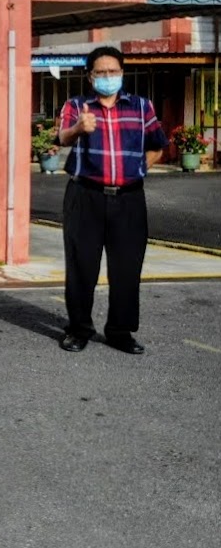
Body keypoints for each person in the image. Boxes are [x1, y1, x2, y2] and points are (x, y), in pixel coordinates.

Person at [54, 46, 169, 354]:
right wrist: (79, 128)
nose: (107, 77)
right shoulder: (76, 106)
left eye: (113, 71)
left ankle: (120, 331)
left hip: (129, 199)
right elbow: (62, 137)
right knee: (81, 267)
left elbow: (157, 145)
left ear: (122, 73)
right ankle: (79, 329)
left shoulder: (141, 107)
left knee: (127, 268)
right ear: (90, 76)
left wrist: (140, 168)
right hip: (85, 196)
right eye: (101, 72)